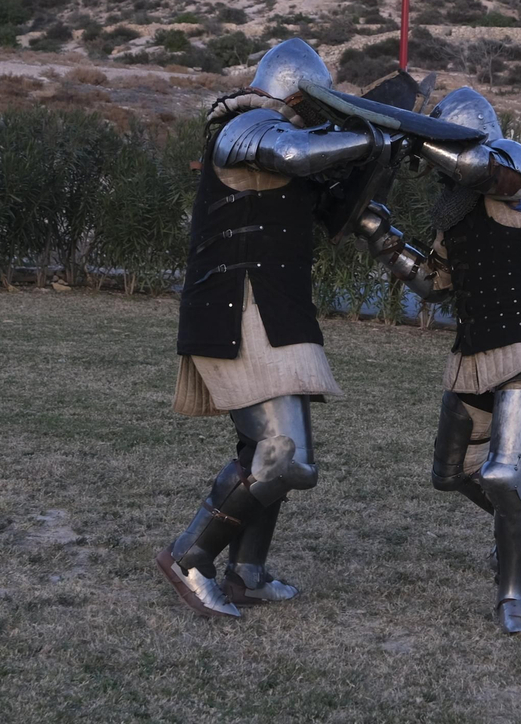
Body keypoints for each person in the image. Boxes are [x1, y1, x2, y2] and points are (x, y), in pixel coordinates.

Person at [155, 38, 380, 619]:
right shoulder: (242, 125)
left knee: (266, 451)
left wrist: (382, 157)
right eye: (314, 103)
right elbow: (299, 154)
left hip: (276, 311)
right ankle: (190, 557)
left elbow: (337, 208)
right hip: (236, 307)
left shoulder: (294, 152)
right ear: (296, 93)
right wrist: (373, 133)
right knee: (286, 458)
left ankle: (247, 573)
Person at [355, 86, 521, 637]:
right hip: (476, 347)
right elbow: (435, 283)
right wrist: (377, 232)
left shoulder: (519, 170)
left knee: (505, 475)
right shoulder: (455, 214)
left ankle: (513, 597)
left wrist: (414, 137)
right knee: (452, 474)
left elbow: (490, 170)